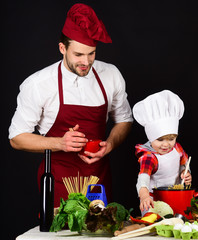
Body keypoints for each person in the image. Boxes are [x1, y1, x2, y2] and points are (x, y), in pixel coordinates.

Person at [8, 3, 133, 206]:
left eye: (91, 53)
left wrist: (110, 143)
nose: (86, 62)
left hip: (98, 181)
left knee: (100, 232)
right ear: (62, 48)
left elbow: (124, 120)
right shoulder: (38, 84)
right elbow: (16, 138)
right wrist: (60, 143)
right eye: (78, 55)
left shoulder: (110, 75)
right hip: (58, 182)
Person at [132, 90, 192, 212]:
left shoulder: (177, 148)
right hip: (154, 202)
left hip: (175, 197)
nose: (166, 144)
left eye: (171, 139)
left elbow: (184, 163)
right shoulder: (149, 156)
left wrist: (185, 174)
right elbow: (143, 178)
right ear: (151, 137)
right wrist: (144, 196)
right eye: (160, 140)